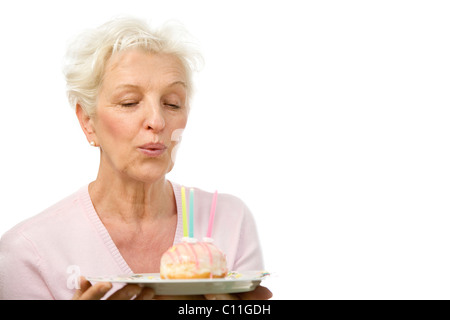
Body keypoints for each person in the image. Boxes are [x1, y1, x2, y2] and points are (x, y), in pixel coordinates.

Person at [0, 17, 271, 300]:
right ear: (88, 121)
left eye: (172, 103)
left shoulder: (230, 219)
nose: (157, 120)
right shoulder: (28, 251)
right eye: (129, 102)